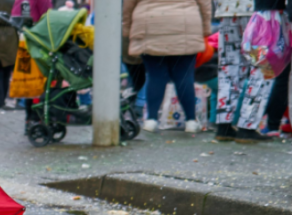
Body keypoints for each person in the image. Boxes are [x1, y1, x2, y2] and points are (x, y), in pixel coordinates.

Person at [122, 0, 210, 133]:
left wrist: (127, 29)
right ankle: (191, 121)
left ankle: (151, 120)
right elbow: (205, 4)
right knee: (184, 75)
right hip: (185, 22)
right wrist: (205, 28)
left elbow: (128, 5)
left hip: (150, 24)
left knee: (156, 75)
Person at [214, 0, 289, 142]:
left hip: (227, 11)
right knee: (262, 69)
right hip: (261, 12)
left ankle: (224, 126)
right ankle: (247, 127)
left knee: (229, 68)